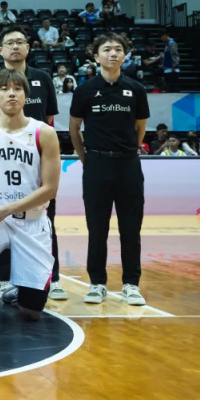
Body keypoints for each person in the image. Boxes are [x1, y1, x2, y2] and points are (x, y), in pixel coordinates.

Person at [0, 69, 61, 329]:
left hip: (32, 221)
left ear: (26, 95)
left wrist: (9, 208)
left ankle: (23, 287)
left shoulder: (44, 132)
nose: (11, 94)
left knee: (30, 312)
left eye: (17, 88)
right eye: (4, 89)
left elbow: (50, 189)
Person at [0, 25, 65, 300]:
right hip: (1, 160)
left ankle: (52, 277)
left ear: (28, 48)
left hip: (34, 159)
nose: (15, 47)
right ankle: (5, 280)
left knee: (45, 219)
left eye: (20, 42)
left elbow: (49, 118)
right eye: (10, 43)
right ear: (0, 50)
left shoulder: (43, 78)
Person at [69, 32, 150, 306]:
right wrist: (86, 158)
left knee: (131, 229)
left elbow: (140, 127)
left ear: (125, 56)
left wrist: (129, 150)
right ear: (96, 56)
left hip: (128, 165)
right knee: (97, 229)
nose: (113, 53)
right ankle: (97, 283)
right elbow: (74, 128)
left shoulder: (136, 89)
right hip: (96, 165)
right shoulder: (84, 90)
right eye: (107, 49)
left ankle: (131, 284)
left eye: (118, 49)